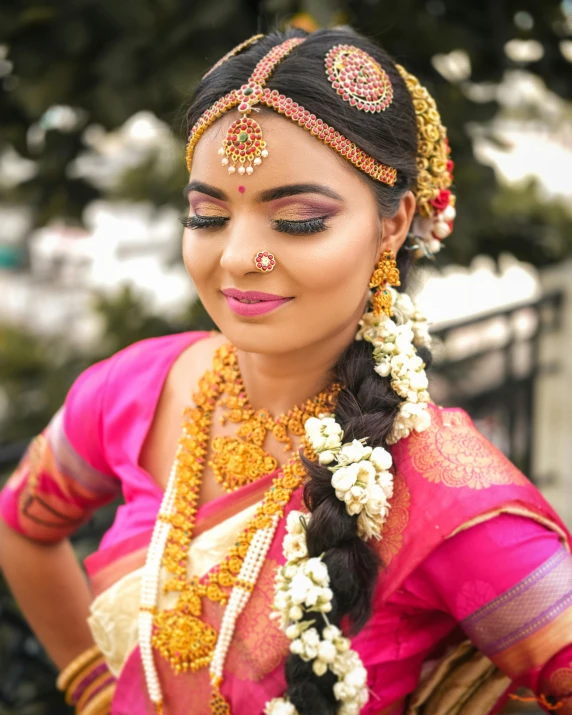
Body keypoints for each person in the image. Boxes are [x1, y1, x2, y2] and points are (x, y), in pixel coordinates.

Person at [0, 26, 571, 715]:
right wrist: (93, 686)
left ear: (393, 226)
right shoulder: (137, 387)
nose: (239, 255)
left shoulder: (444, 487)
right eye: (207, 214)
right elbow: (21, 525)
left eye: (298, 219)